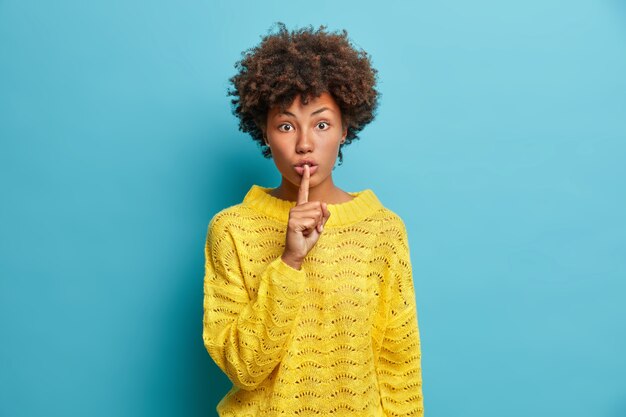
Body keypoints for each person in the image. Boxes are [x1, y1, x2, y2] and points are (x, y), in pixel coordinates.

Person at [203, 22, 424, 416]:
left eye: (321, 124)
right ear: (265, 133)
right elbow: (243, 368)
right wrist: (289, 262)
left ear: (344, 129)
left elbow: (398, 367)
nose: (304, 143)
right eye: (286, 125)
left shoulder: (383, 230)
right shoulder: (231, 230)